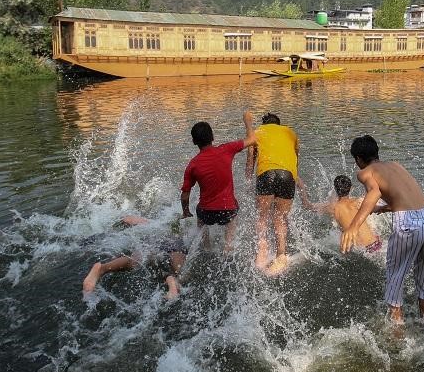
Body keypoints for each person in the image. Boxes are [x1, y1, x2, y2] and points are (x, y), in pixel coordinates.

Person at [343, 135, 424, 325]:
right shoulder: (397, 166)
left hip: (409, 224)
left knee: (395, 281)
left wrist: (353, 226)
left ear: (358, 159)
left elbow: (374, 192)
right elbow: (408, 198)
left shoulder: (364, 172)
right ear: (377, 152)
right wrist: (383, 208)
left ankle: (398, 340)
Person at [181, 111, 256, 252]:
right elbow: (252, 139)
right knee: (233, 212)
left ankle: (206, 246)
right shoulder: (227, 149)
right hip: (228, 211)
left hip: (206, 212)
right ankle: (228, 247)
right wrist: (247, 122)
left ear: (194, 142)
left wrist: (185, 212)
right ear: (213, 137)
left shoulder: (193, 164)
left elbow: (185, 195)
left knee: (200, 214)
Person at [82, 216, 187, 300]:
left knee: (135, 260)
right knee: (181, 270)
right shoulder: (170, 223)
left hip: (150, 239)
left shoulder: (140, 221)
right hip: (173, 240)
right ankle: (173, 280)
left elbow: (124, 221)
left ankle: (103, 268)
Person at [245, 113, 299, 276]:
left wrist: (248, 179)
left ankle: (262, 251)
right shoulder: (290, 133)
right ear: (279, 124)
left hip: (266, 173)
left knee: (262, 216)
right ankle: (281, 255)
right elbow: (296, 158)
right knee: (280, 217)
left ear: (264, 124)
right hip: (287, 174)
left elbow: (250, 158)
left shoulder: (257, 132)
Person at [297, 175, 384, 254]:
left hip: (361, 251)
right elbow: (379, 207)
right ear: (351, 188)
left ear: (335, 189)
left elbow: (307, 206)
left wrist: (300, 186)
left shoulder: (332, 207)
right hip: (375, 244)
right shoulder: (359, 202)